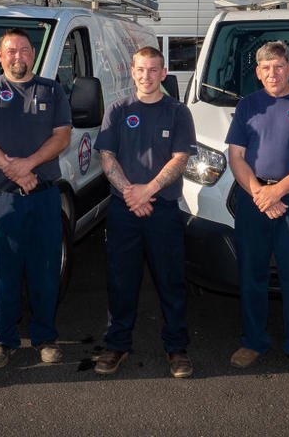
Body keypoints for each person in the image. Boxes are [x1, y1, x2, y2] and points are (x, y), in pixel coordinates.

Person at [0, 28, 72, 369]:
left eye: (24, 50)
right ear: (0, 55)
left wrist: (28, 165)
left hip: (44, 197)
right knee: (2, 273)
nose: (18, 56)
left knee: (44, 271)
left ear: (33, 54)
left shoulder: (51, 90)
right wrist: (15, 171)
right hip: (3, 200)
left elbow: (62, 136)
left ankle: (45, 338)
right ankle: (4, 341)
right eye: (11, 51)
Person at [225, 41, 289, 376]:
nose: (273, 73)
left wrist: (278, 192)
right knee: (251, 275)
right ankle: (253, 341)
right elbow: (236, 157)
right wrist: (259, 192)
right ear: (258, 72)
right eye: (266, 68)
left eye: (279, 66)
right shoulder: (247, 106)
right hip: (252, 199)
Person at [92, 46, 197, 377]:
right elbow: (107, 156)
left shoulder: (178, 112)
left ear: (163, 74)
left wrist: (147, 191)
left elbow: (180, 159)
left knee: (171, 281)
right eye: (141, 69)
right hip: (124, 210)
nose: (147, 76)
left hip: (162, 209)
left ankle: (177, 348)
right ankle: (116, 345)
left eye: (154, 70)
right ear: (132, 72)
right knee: (121, 281)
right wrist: (129, 193)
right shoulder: (117, 110)